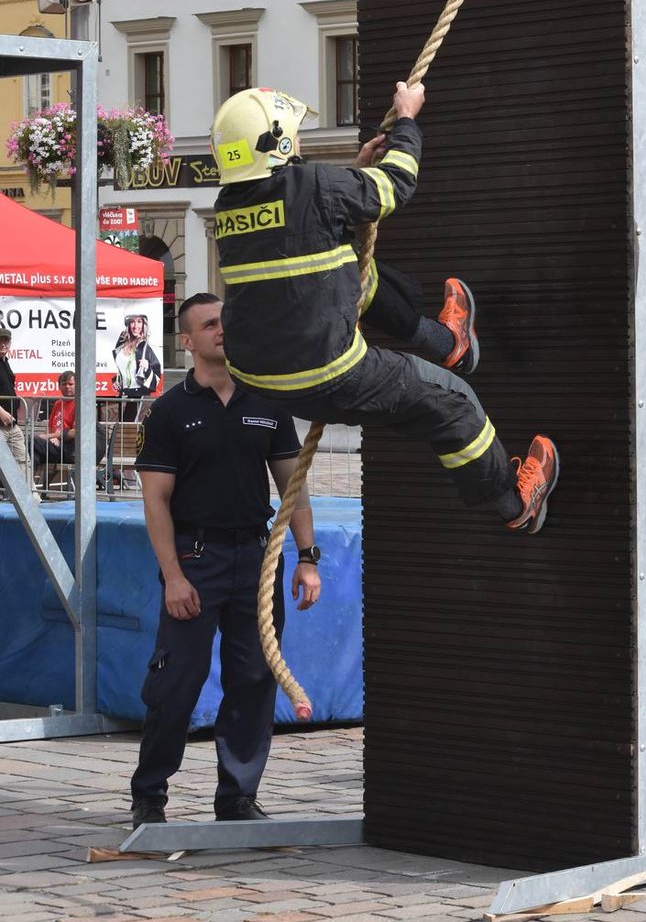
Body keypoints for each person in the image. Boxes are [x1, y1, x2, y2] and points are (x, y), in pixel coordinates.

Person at [210, 83, 559, 534]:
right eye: (293, 134)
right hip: (327, 372)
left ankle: (447, 340)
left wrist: (354, 174)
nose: (298, 141)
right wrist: (408, 117)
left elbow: (302, 215)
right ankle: (515, 505)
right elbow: (396, 185)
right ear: (277, 141)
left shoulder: (227, 207)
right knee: (452, 403)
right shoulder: (316, 186)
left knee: (358, 275)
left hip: (258, 378)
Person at [128, 292, 321, 830]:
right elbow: (155, 501)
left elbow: (294, 488)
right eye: (209, 325)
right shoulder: (170, 411)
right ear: (186, 340)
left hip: (256, 558)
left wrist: (307, 558)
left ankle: (237, 798)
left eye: (226, 322)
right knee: (176, 683)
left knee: (254, 678)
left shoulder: (268, 403)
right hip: (195, 557)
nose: (221, 331)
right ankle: (150, 795)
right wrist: (172, 577)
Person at [0, 329, 39, 502]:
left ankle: (31, 497)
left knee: (23, 459)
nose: (3, 344)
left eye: (6, 341)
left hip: (12, 424)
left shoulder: (5, 362)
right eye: (0, 340)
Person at [112, 313, 163, 419]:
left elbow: (157, 374)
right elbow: (119, 368)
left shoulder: (145, 347)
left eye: (139, 322)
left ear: (144, 324)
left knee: (130, 426)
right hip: (123, 393)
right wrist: (116, 381)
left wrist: (147, 368)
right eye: (132, 322)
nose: (135, 326)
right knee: (120, 427)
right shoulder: (121, 342)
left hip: (139, 393)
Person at [33, 371, 76, 477]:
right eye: (64, 384)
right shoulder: (58, 403)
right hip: (52, 446)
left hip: (67, 448)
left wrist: (52, 437)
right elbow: (50, 427)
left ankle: (21, 487)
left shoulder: (79, 404)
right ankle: (28, 487)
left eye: (70, 384)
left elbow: (74, 433)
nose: (67, 387)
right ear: (59, 386)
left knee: (31, 442)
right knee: (32, 455)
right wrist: (50, 438)